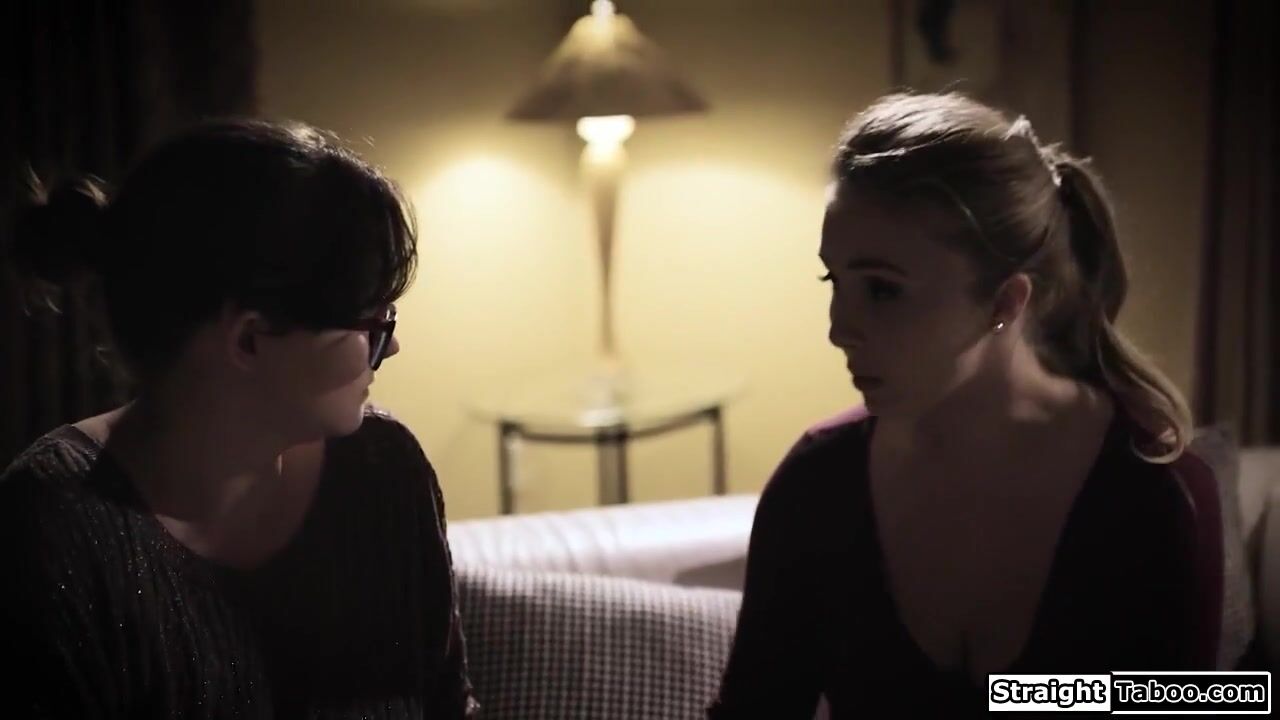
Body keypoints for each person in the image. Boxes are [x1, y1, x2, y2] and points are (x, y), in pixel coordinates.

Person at [708, 92, 1222, 717]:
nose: (839, 330)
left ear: (1005, 303)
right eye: (834, 281)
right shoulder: (819, 484)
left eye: (882, 290)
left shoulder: (1151, 492)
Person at [0, 119, 479, 718]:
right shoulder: (53, 531)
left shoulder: (383, 469)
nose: (394, 347)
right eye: (373, 325)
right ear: (249, 340)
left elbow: (446, 704)